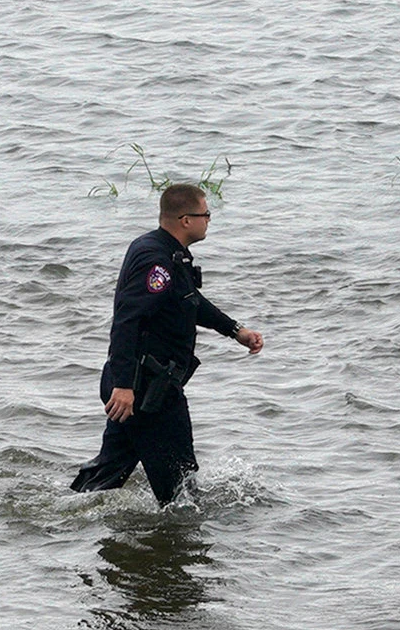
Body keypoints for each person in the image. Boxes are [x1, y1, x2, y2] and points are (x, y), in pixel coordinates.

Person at [70, 182, 264, 507]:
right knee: (180, 492)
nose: (209, 220)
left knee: (106, 476)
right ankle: (179, 548)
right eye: (206, 214)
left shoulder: (169, 255)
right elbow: (127, 321)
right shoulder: (155, 262)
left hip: (137, 388)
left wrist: (235, 330)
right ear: (186, 219)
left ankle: (60, 518)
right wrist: (123, 386)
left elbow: (189, 301)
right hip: (145, 392)